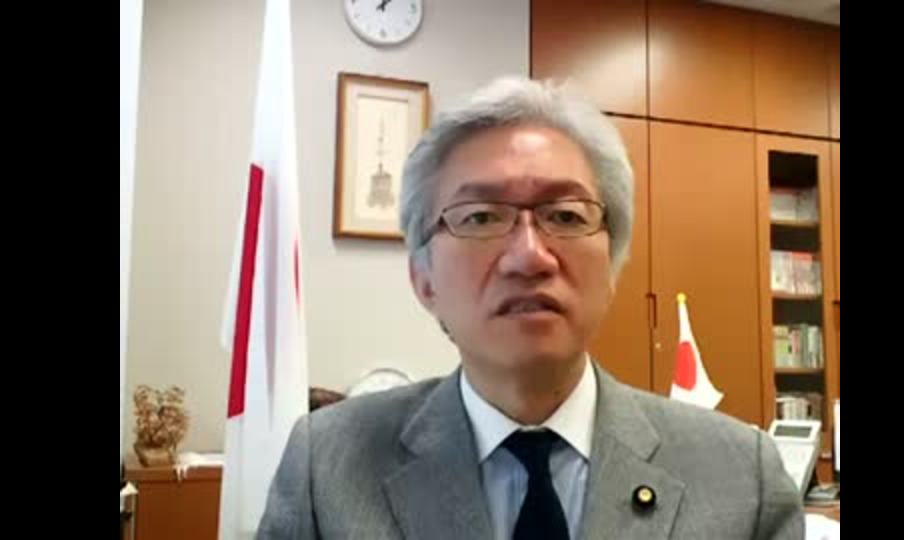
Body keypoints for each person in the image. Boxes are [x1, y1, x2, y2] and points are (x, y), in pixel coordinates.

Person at [256, 75, 805, 539]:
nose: (529, 256)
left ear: (612, 267)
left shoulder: (742, 477)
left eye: (565, 216)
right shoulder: (326, 468)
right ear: (423, 280)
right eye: (480, 217)